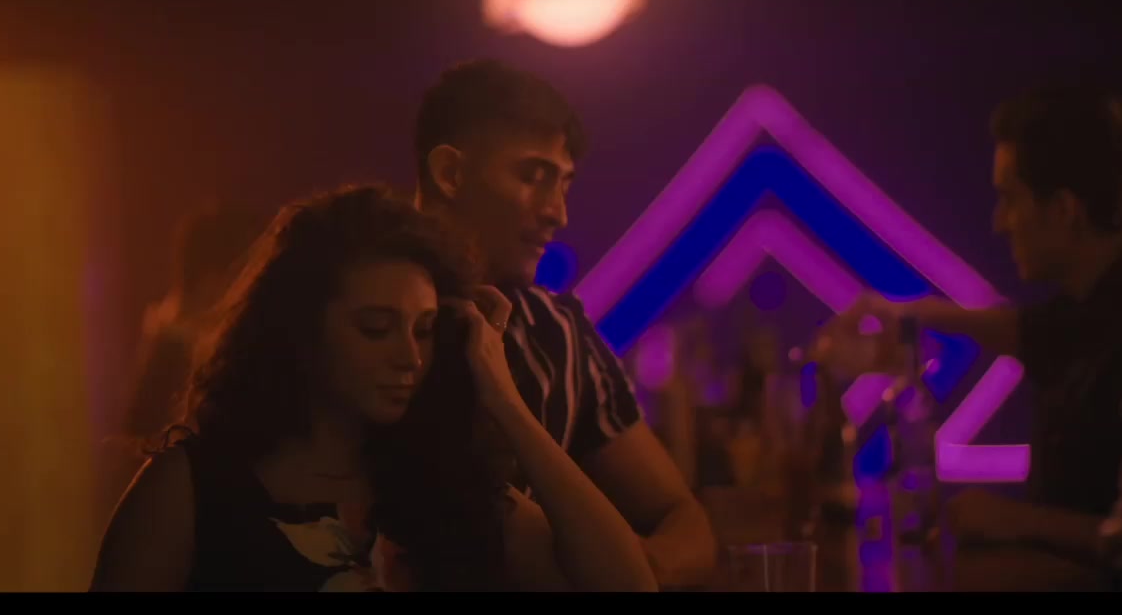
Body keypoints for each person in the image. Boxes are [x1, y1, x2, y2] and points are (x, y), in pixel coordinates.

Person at [90, 185, 658, 592]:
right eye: (375, 328)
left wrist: (506, 401)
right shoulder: (194, 488)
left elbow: (629, 583)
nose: (410, 356)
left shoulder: (446, 488)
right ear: (302, 330)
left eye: (424, 330)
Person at [814, 85, 1122, 587]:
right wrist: (905, 314)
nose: (998, 223)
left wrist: (1020, 521)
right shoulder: (1096, 304)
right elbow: (1023, 330)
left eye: (1009, 199)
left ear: (1064, 210)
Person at [412, 59, 717, 587]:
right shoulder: (364, 316)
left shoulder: (558, 333)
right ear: (450, 174)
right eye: (533, 177)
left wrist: (623, 570)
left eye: (564, 184)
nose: (558, 212)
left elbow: (683, 522)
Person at [123, 200, 261, 442]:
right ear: (210, 281)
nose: (246, 292)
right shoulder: (177, 363)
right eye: (241, 277)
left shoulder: (168, 348)